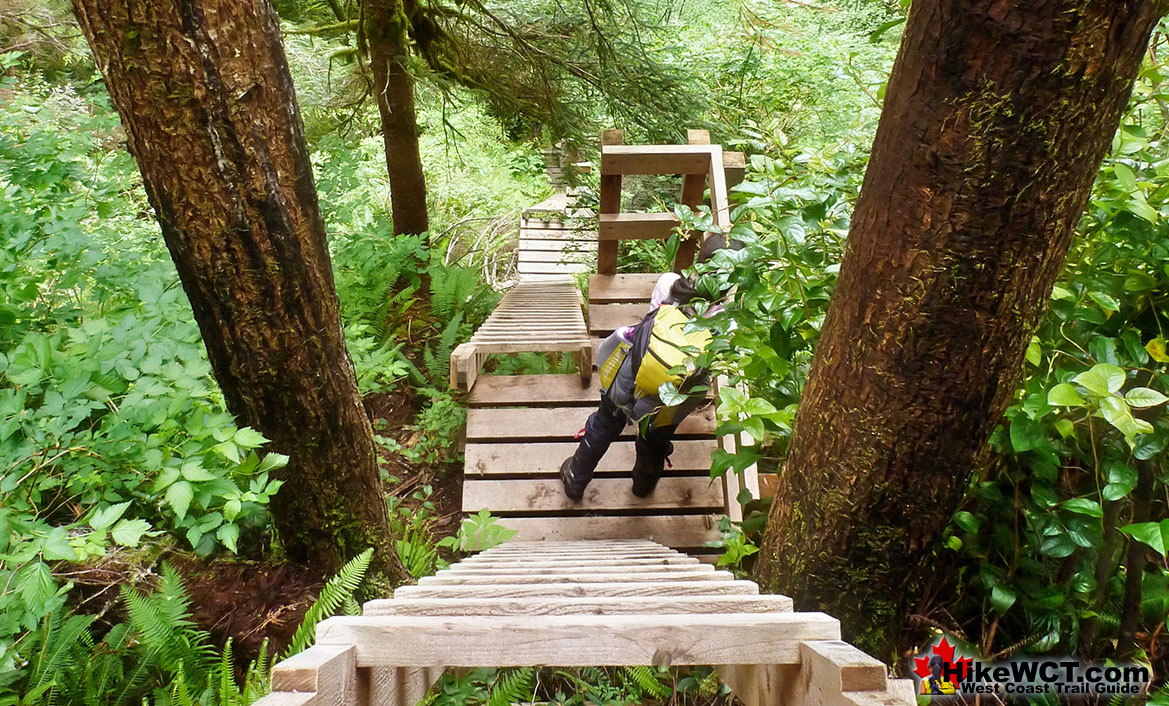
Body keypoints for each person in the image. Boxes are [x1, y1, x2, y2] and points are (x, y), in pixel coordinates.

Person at [559, 234, 738, 501]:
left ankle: (576, 477)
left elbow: (651, 317)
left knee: (605, 422)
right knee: (655, 439)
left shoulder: (669, 285)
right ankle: (642, 485)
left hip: (632, 374)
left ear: (701, 262)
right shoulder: (728, 324)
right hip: (671, 399)